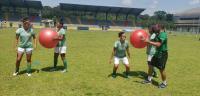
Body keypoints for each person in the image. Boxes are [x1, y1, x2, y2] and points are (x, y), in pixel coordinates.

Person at [142, 24, 168, 88]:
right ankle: (149, 80)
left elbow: (158, 44)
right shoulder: (157, 34)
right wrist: (145, 40)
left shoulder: (163, 34)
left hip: (162, 54)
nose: (154, 28)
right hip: (156, 53)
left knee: (161, 69)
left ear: (159, 27)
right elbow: (152, 41)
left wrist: (148, 41)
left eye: (155, 27)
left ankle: (164, 83)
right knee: (151, 65)